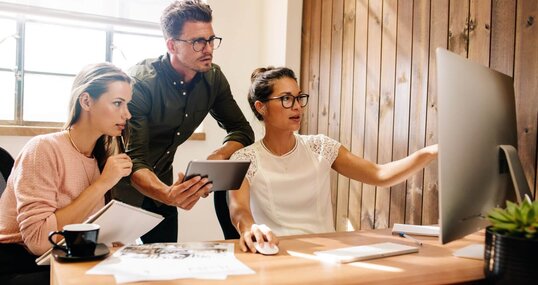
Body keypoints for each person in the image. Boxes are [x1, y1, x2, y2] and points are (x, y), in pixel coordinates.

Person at [229, 67, 439, 253]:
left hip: (329, 254)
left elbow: (379, 174)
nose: (297, 107)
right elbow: (240, 211)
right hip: (277, 254)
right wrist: (249, 229)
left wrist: (430, 152)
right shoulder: (243, 159)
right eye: (286, 98)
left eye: (298, 97)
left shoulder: (321, 147)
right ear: (261, 107)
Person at [111, 0, 254, 243]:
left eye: (211, 39)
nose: (208, 49)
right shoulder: (141, 84)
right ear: (171, 45)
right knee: (111, 269)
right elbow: (135, 160)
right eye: (198, 42)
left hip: (164, 187)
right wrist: (168, 194)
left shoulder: (214, 78)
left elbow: (243, 131)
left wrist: (217, 156)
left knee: (166, 266)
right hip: (118, 188)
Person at [0, 62, 133, 284]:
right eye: (118, 103)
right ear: (86, 101)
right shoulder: (43, 148)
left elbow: (80, 231)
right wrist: (102, 184)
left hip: (60, 259)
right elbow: (39, 241)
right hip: (17, 265)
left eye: (127, 104)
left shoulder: (98, 158)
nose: (127, 114)